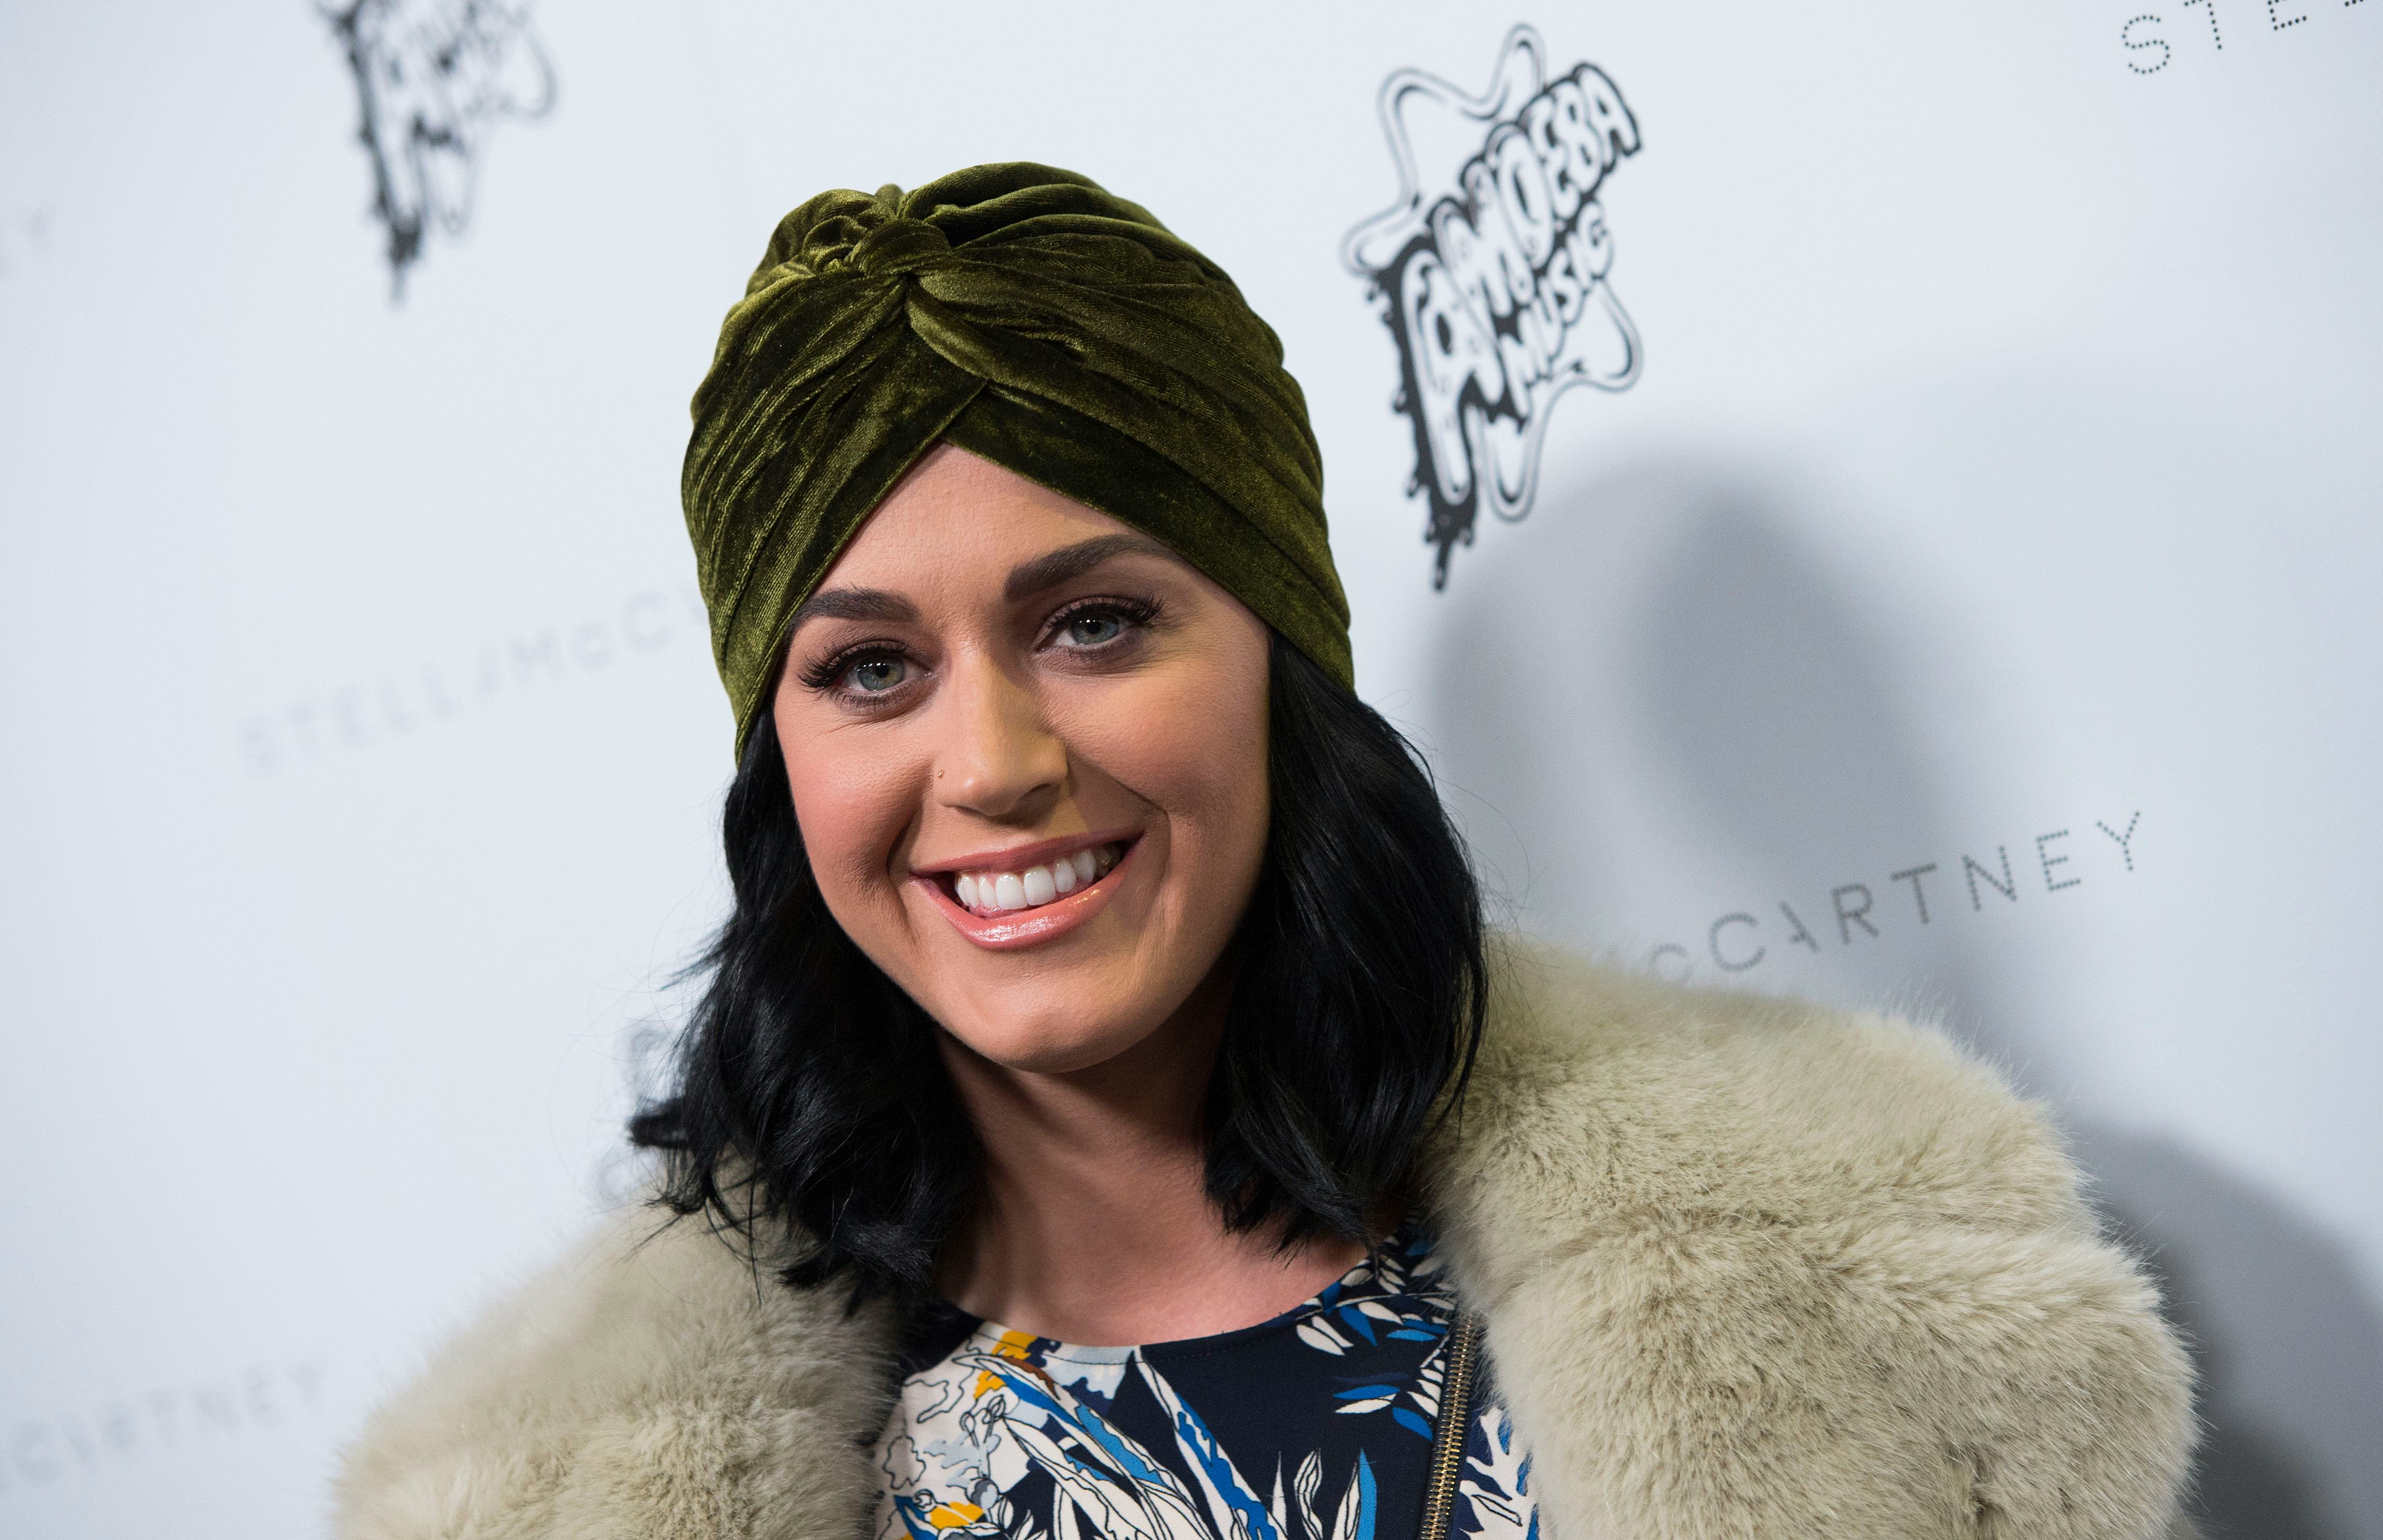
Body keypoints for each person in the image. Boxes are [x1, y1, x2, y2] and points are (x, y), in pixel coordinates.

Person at [333, 165, 2198, 1540]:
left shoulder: (1881, 1274)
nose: (992, 766)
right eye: (870, 669)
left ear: (1280, 673)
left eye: (1094, 625)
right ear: (782, 767)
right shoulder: (520, 1491)